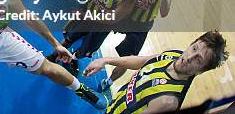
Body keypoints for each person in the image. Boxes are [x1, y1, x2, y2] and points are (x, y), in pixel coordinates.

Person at [97, 0, 176, 92]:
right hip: (125, 15)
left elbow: (164, 13)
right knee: (97, 28)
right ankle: (83, 50)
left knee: (128, 58)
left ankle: (109, 80)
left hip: (142, 25)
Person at [85, 30, 228, 114]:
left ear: (201, 71)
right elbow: (143, 61)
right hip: (113, 106)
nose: (189, 57)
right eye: (194, 48)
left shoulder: (168, 101)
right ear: (191, 44)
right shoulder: (173, 55)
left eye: (198, 60)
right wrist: (106, 60)